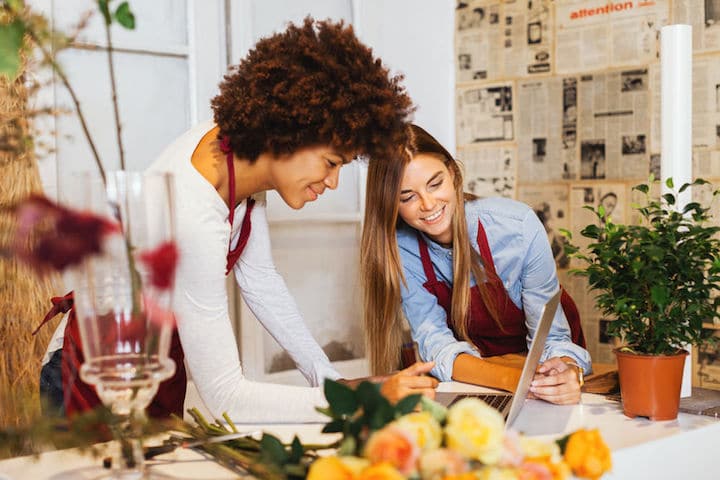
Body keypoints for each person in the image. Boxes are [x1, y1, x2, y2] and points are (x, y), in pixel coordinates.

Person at [40, 18, 437, 423]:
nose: (333, 182)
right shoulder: (192, 210)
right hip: (93, 377)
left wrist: (328, 380)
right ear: (289, 130)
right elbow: (227, 396)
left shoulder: (237, 155)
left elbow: (261, 282)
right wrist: (357, 398)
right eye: (331, 162)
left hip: (155, 362)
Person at [362, 125, 591, 405]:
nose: (428, 203)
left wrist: (567, 372)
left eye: (435, 184)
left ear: (454, 175)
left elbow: (553, 337)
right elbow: (438, 348)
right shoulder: (402, 250)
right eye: (407, 197)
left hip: (537, 371)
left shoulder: (517, 227)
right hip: (490, 380)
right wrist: (514, 380)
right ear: (390, 205)